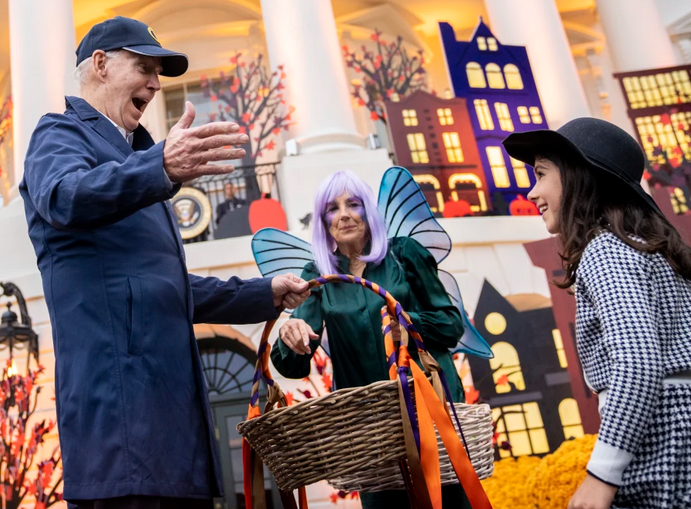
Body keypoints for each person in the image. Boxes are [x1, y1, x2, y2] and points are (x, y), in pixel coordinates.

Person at [19, 16, 310, 509]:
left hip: (174, 437)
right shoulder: (59, 134)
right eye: (144, 66)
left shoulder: (140, 155)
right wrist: (161, 166)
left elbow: (167, 287)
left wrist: (265, 293)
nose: (155, 83)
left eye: (159, 72)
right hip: (120, 432)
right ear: (100, 64)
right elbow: (64, 196)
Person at [503, 118, 691, 509]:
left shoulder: (605, 251)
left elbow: (637, 364)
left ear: (577, 177)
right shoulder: (644, 248)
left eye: (540, 174)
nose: (532, 190)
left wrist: (601, 477)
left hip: (662, 446)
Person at [270, 171, 471, 509]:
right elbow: (294, 362)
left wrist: (410, 324)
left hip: (429, 412)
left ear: (369, 212)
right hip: (368, 428)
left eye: (354, 204)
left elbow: (451, 324)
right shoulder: (318, 274)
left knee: (449, 501)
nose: (344, 214)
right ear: (323, 221)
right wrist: (290, 337)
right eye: (332, 208)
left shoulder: (405, 254)